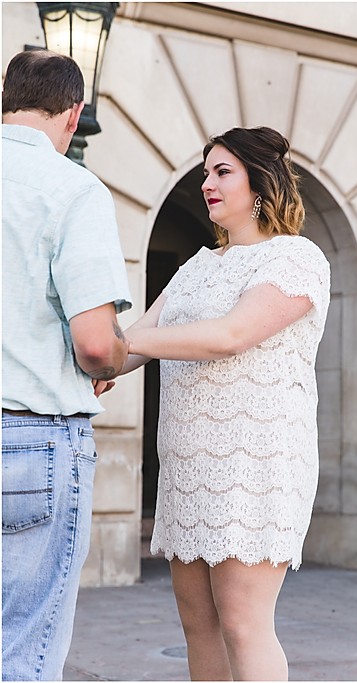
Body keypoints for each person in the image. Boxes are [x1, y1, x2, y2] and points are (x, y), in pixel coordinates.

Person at [117, 126, 330, 679]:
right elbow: (136, 340)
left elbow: (230, 335)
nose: (207, 183)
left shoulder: (296, 258)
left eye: (222, 171)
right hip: (189, 465)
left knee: (242, 621)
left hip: (254, 465)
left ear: (261, 183)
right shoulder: (196, 265)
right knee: (197, 622)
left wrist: (125, 344)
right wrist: (94, 354)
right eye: (206, 172)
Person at [2, 49, 134, 682]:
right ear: (74, 113)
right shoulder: (71, 188)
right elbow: (94, 343)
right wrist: (112, 357)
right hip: (30, 440)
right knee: (22, 649)